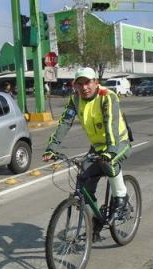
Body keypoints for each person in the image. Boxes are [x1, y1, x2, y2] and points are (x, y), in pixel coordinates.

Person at [42, 67, 131, 241]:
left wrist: (111, 151)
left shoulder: (107, 96)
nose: (84, 87)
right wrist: (51, 147)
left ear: (96, 82)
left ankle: (121, 197)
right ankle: (95, 226)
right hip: (97, 147)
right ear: (75, 86)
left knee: (108, 163)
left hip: (119, 143)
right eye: (80, 84)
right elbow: (64, 123)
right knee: (83, 181)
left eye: (87, 82)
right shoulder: (75, 99)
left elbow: (110, 124)